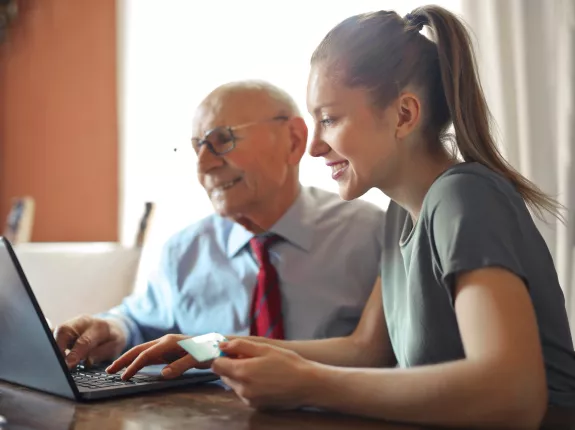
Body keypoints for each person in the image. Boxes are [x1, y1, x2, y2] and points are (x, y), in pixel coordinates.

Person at [106, 5, 575, 428]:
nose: (313, 146)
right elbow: (365, 350)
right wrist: (209, 347)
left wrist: (308, 383)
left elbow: (513, 397)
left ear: (404, 114)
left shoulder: (464, 197)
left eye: (329, 119)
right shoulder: (400, 215)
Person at [54, 81, 385, 369]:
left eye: (222, 140)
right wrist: (112, 329)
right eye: (198, 147)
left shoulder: (372, 235)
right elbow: (139, 322)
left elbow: (382, 355)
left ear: (294, 140)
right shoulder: (184, 250)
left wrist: (209, 348)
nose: (204, 165)